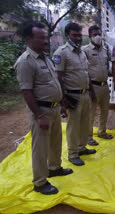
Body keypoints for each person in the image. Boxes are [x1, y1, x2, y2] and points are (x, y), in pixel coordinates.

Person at [14, 22, 73, 195]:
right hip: (41, 111)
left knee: (56, 141)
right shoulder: (25, 62)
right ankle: (40, 182)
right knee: (40, 148)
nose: (45, 40)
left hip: (54, 109)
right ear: (29, 39)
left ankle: (54, 168)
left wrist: (61, 103)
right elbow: (26, 91)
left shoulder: (46, 57)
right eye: (41, 38)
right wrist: (39, 115)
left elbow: (54, 83)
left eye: (45, 37)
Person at [53, 22, 96, 166]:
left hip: (85, 94)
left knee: (84, 124)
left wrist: (91, 90)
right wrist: (62, 99)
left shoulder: (82, 52)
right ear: (67, 35)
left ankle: (81, 148)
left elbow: (86, 73)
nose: (78, 38)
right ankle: (72, 154)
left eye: (79, 35)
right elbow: (58, 77)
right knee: (73, 126)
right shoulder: (61, 52)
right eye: (74, 35)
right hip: (72, 95)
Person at [82, 25, 113, 146]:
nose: (97, 37)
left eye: (99, 34)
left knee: (105, 111)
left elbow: (108, 66)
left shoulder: (105, 50)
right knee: (91, 113)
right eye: (94, 34)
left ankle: (102, 132)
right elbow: (84, 70)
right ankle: (88, 137)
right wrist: (89, 88)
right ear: (90, 36)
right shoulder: (85, 50)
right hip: (92, 87)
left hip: (104, 85)